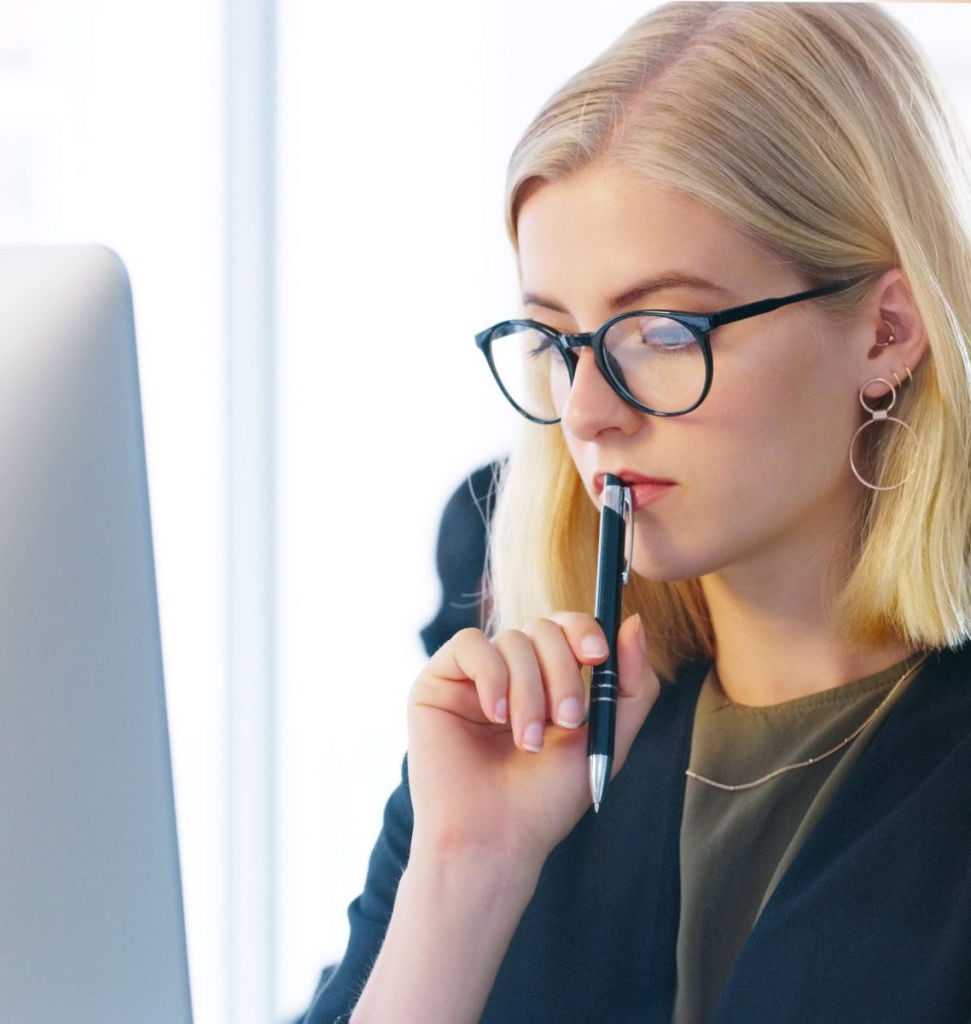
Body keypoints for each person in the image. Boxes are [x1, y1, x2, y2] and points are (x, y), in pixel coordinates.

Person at [303, 4, 971, 1021]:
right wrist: (460, 875)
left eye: (662, 329)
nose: (588, 413)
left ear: (884, 330)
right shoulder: (515, 709)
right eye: (555, 338)